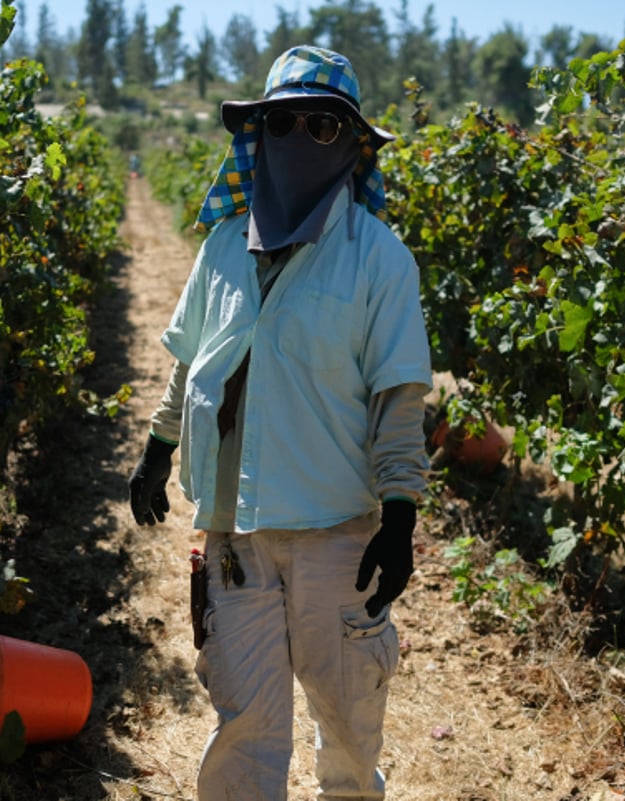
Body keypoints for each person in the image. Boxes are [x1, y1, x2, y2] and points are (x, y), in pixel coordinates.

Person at [127, 44, 432, 800]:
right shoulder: (225, 248)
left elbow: (398, 398)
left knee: (350, 727)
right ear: (258, 131)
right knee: (245, 724)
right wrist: (157, 448)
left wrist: (400, 516)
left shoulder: (379, 260)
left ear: (353, 144)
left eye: (324, 126)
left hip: (337, 536)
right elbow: (193, 361)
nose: (300, 138)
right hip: (235, 537)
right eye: (283, 121)